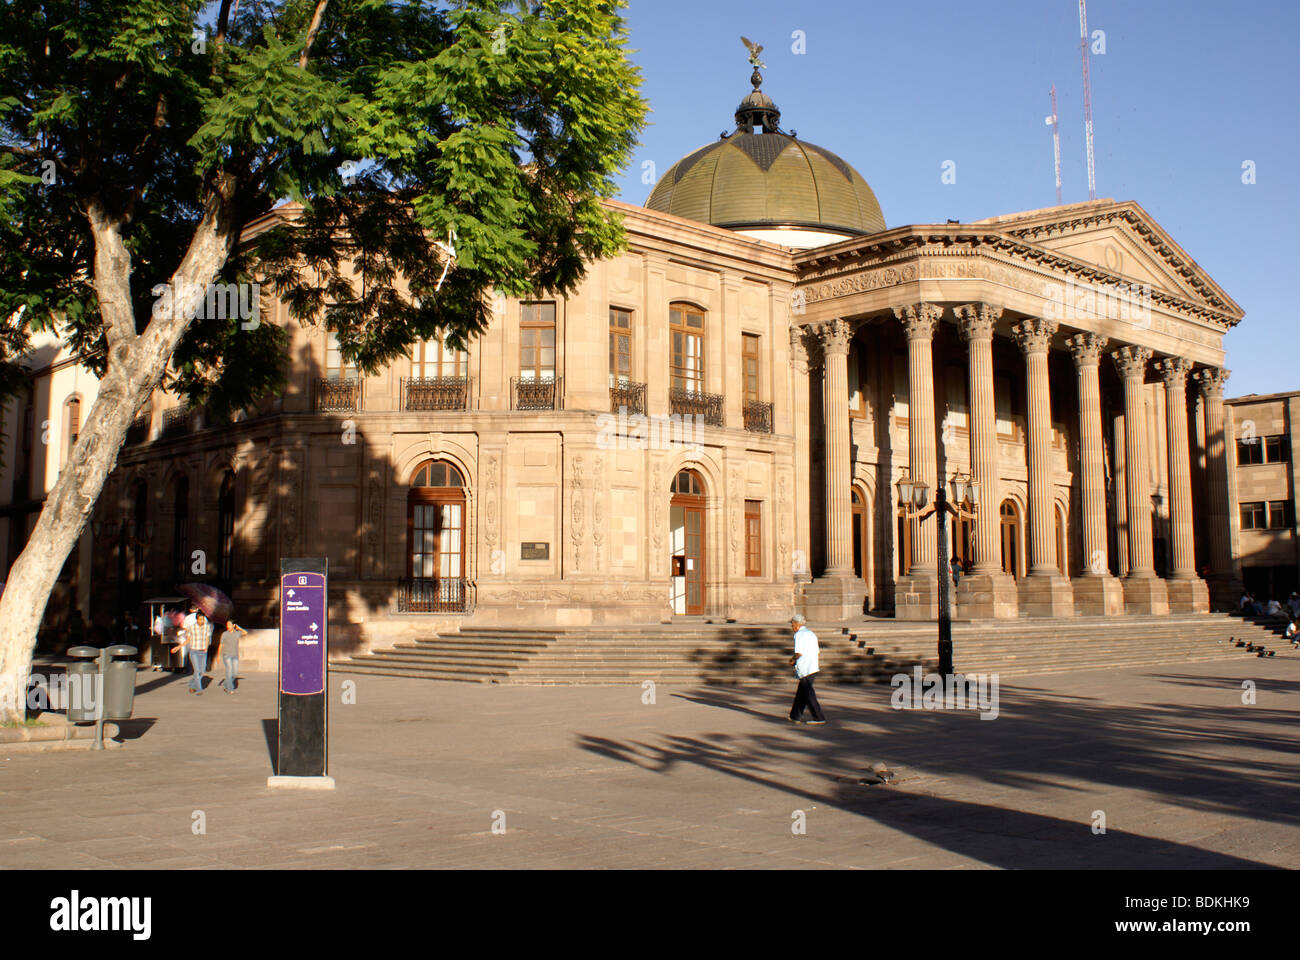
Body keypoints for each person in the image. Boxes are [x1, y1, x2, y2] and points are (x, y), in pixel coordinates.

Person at [787, 613, 826, 725]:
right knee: (802, 692)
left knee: (808, 693)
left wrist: (792, 660)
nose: (792, 627)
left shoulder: (799, 635)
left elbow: (799, 652)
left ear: (797, 624)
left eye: (792, 625)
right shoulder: (811, 633)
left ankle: (818, 717)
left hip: (805, 667)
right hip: (813, 665)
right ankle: (795, 716)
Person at [173, 609, 212, 695]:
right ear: (197, 619)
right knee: (197, 670)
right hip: (194, 651)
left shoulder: (207, 627)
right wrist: (178, 647)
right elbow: (188, 640)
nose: (202, 621)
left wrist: (206, 648)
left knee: (202, 671)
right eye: (200, 619)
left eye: (203, 619)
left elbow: (207, 638)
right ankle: (199, 689)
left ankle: (192, 684)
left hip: (203, 651)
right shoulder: (192, 628)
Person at [218, 620, 247, 695]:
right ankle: (230, 689)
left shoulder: (237, 633)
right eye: (227, 625)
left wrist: (239, 628)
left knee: (234, 673)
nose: (228, 626)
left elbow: (245, 633)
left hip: (235, 655)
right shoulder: (224, 634)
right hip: (226, 655)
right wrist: (218, 656)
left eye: (229, 625)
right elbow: (221, 644)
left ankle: (226, 683)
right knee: (229, 671)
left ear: (233, 625)